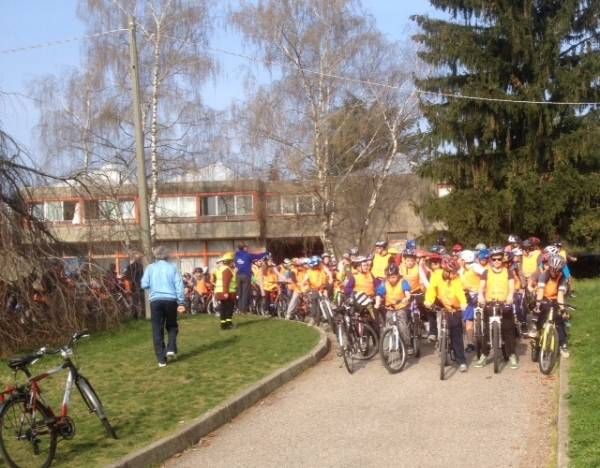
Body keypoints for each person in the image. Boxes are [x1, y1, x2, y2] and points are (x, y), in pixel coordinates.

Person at [141, 246, 185, 368]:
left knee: (157, 329)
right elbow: (179, 286)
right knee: (172, 325)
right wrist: (181, 302)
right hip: (171, 300)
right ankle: (171, 347)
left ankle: (161, 359)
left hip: (155, 301)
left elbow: (144, 284)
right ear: (167, 255)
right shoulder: (173, 268)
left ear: (155, 255)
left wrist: (154, 285)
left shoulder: (150, 268)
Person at [475, 247, 518, 370]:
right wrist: (480, 296)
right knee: (486, 331)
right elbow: (482, 287)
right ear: (491, 260)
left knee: (508, 330)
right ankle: (484, 355)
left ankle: (511, 355)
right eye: (494, 259)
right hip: (490, 303)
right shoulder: (486, 272)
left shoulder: (508, 272)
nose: (497, 261)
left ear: (502, 259)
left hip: (505, 303)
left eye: (499, 259)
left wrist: (510, 296)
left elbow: (511, 286)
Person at [424, 256, 468, 372]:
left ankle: (461, 361)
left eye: (453, 272)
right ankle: (442, 345)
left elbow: (459, 291)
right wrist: (428, 300)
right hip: (442, 303)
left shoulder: (456, 278)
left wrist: (463, 303)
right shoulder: (436, 275)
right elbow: (432, 289)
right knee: (440, 324)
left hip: (455, 306)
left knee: (456, 332)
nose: (451, 274)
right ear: (443, 269)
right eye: (449, 272)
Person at [530, 254, 570, 357]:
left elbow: (560, 295)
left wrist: (562, 309)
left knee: (560, 321)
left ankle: (563, 345)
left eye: (557, 270)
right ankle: (534, 328)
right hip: (543, 297)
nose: (554, 272)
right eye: (552, 269)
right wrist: (538, 304)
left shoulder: (563, 278)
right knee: (539, 310)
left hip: (555, 299)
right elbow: (540, 292)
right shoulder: (544, 275)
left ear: (561, 270)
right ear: (549, 267)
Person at [375, 264, 412, 351]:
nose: (391, 279)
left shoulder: (403, 282)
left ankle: (407, 344)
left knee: (402, 326)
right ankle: (386, 351)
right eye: (389, 277)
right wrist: (377, 303)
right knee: (387, 328)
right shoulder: (384, 283)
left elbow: (407, 292)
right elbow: (379, 294)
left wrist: (406, 298)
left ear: (398, 275)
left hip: (401, 307)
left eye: (393, 277)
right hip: (390, 308)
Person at [234, 244, 266, 314]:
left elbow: (236, 265)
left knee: (240, 292)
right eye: (247, 248)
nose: (248, 249)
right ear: (244, 248)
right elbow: (257, 256)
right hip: (246, 275)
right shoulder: (248, 255)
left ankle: (239, 308)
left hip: (238, 275)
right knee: (245, 292)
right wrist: (265, 253)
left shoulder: (236, 256)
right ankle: (243, 310)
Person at [214, 252, 237, 329]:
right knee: (229, 309)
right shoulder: (227, 270)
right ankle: (228, 324)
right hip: (227, 293)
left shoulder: (221, 269)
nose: (233, 262)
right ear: (229, 262)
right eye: (232, 261)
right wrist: (226, 292)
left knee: (223, 308)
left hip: (220, 292)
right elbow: (226, 282)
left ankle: (223, 324)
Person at [123, 252, 145, 318]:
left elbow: (126, 279)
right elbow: (127, 279)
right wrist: (128, 289)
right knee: (139, 302)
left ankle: (137, 316)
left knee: (136, 302)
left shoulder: (141, 267)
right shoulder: (133, 267)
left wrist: (128, 289)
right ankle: (140, 315)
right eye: (140, 258)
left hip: (137, 287)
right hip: (137, 287)